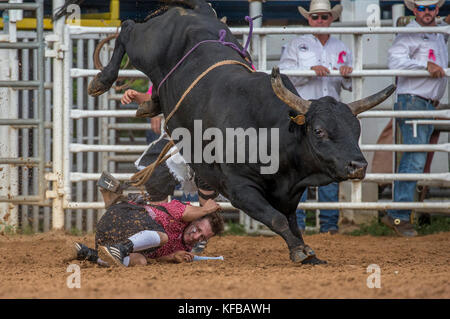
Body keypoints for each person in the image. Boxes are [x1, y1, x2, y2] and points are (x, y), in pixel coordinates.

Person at [279, 0, 353, 234]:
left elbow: (349, 82)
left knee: (329, 167)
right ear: (308, 19)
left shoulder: (342, 46)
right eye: (315, 17)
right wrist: (309, 72)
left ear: (332, 18)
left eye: (324, 16)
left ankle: (329, 225)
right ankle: (297, 223)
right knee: (299, 169)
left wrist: (346, 74)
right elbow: (284, 75)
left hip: (331, 115)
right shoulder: (296, 44)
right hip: (306, 114)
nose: (320, 21)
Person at [384, 0, 447, 237]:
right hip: (414, 100)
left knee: (414, 158)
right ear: (414, 10)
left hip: (425, 103)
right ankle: (399, 216)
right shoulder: (409, 33)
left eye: (431, 8)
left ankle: (398, 215)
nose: (427, 12)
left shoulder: (438, 33)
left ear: (437, 10)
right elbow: (394, 62)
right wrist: (425, 66)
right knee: (414, 159)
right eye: (422, 8)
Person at [74, 198, 224, 267]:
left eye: (202, 238)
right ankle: (120, 249)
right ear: (195, 218)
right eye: (197, 229)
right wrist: (205, 209)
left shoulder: (185, 249)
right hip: (120, 216)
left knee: (141, 261)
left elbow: (158, 258)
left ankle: (94, 256)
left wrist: (172, 257)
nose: (196, 236)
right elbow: (186, 213)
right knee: (162, 236)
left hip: (108, 239)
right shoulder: (180, 209)